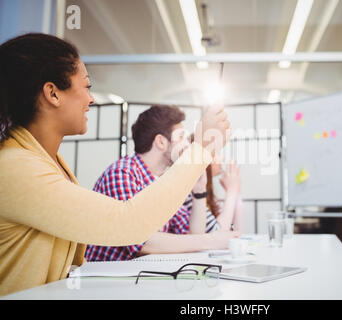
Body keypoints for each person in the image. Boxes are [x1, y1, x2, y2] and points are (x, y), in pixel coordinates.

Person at [0, 33, 230, 296]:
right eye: (86, 86)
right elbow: (129, 224)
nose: (92, 99)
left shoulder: (44, 161)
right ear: (53, 93)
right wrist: (200, 149)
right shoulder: (15, 167)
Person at [85, 105, 238, 260]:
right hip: (106, 279)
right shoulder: (122, 173)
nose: (187, 145)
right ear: (161, 142)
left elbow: (193, 235)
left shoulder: (163, 179)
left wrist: (199, 192)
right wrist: (211, 241)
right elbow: (141, 241)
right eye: (180, 137)